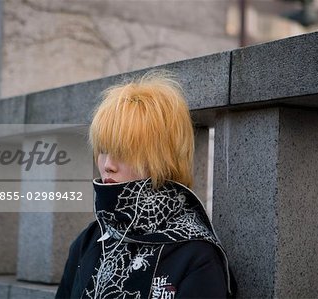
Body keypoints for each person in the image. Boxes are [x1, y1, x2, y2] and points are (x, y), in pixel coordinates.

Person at [56, 69, 237, 298]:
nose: (108, 165)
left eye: (124, 152)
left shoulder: (196, 255)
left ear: (161, 158)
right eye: (103, 150)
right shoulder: (89, 241)